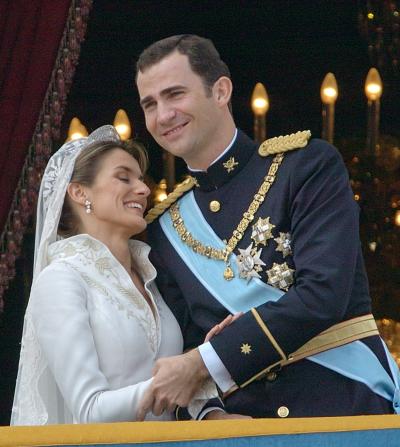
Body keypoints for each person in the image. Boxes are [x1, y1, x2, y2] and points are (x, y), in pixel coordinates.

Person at [135, 34, 400, 418]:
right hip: (243, 428)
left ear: (221, 91)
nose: (163, 115)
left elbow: (324, 293)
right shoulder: (164, 229)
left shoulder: (305, 166)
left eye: (175, 94)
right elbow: (183, 351)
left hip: (344, 409)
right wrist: (211, 415)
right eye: (150, 104)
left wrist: (203, 363)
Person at [11, 125, 225, 425]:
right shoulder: (61, 280)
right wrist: (179, 376)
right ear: (78, 192)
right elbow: (88, 411)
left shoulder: (151, 276)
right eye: (123, 177)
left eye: (140, 179)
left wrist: (204, 358)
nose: (143, 189)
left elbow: (171, 383)